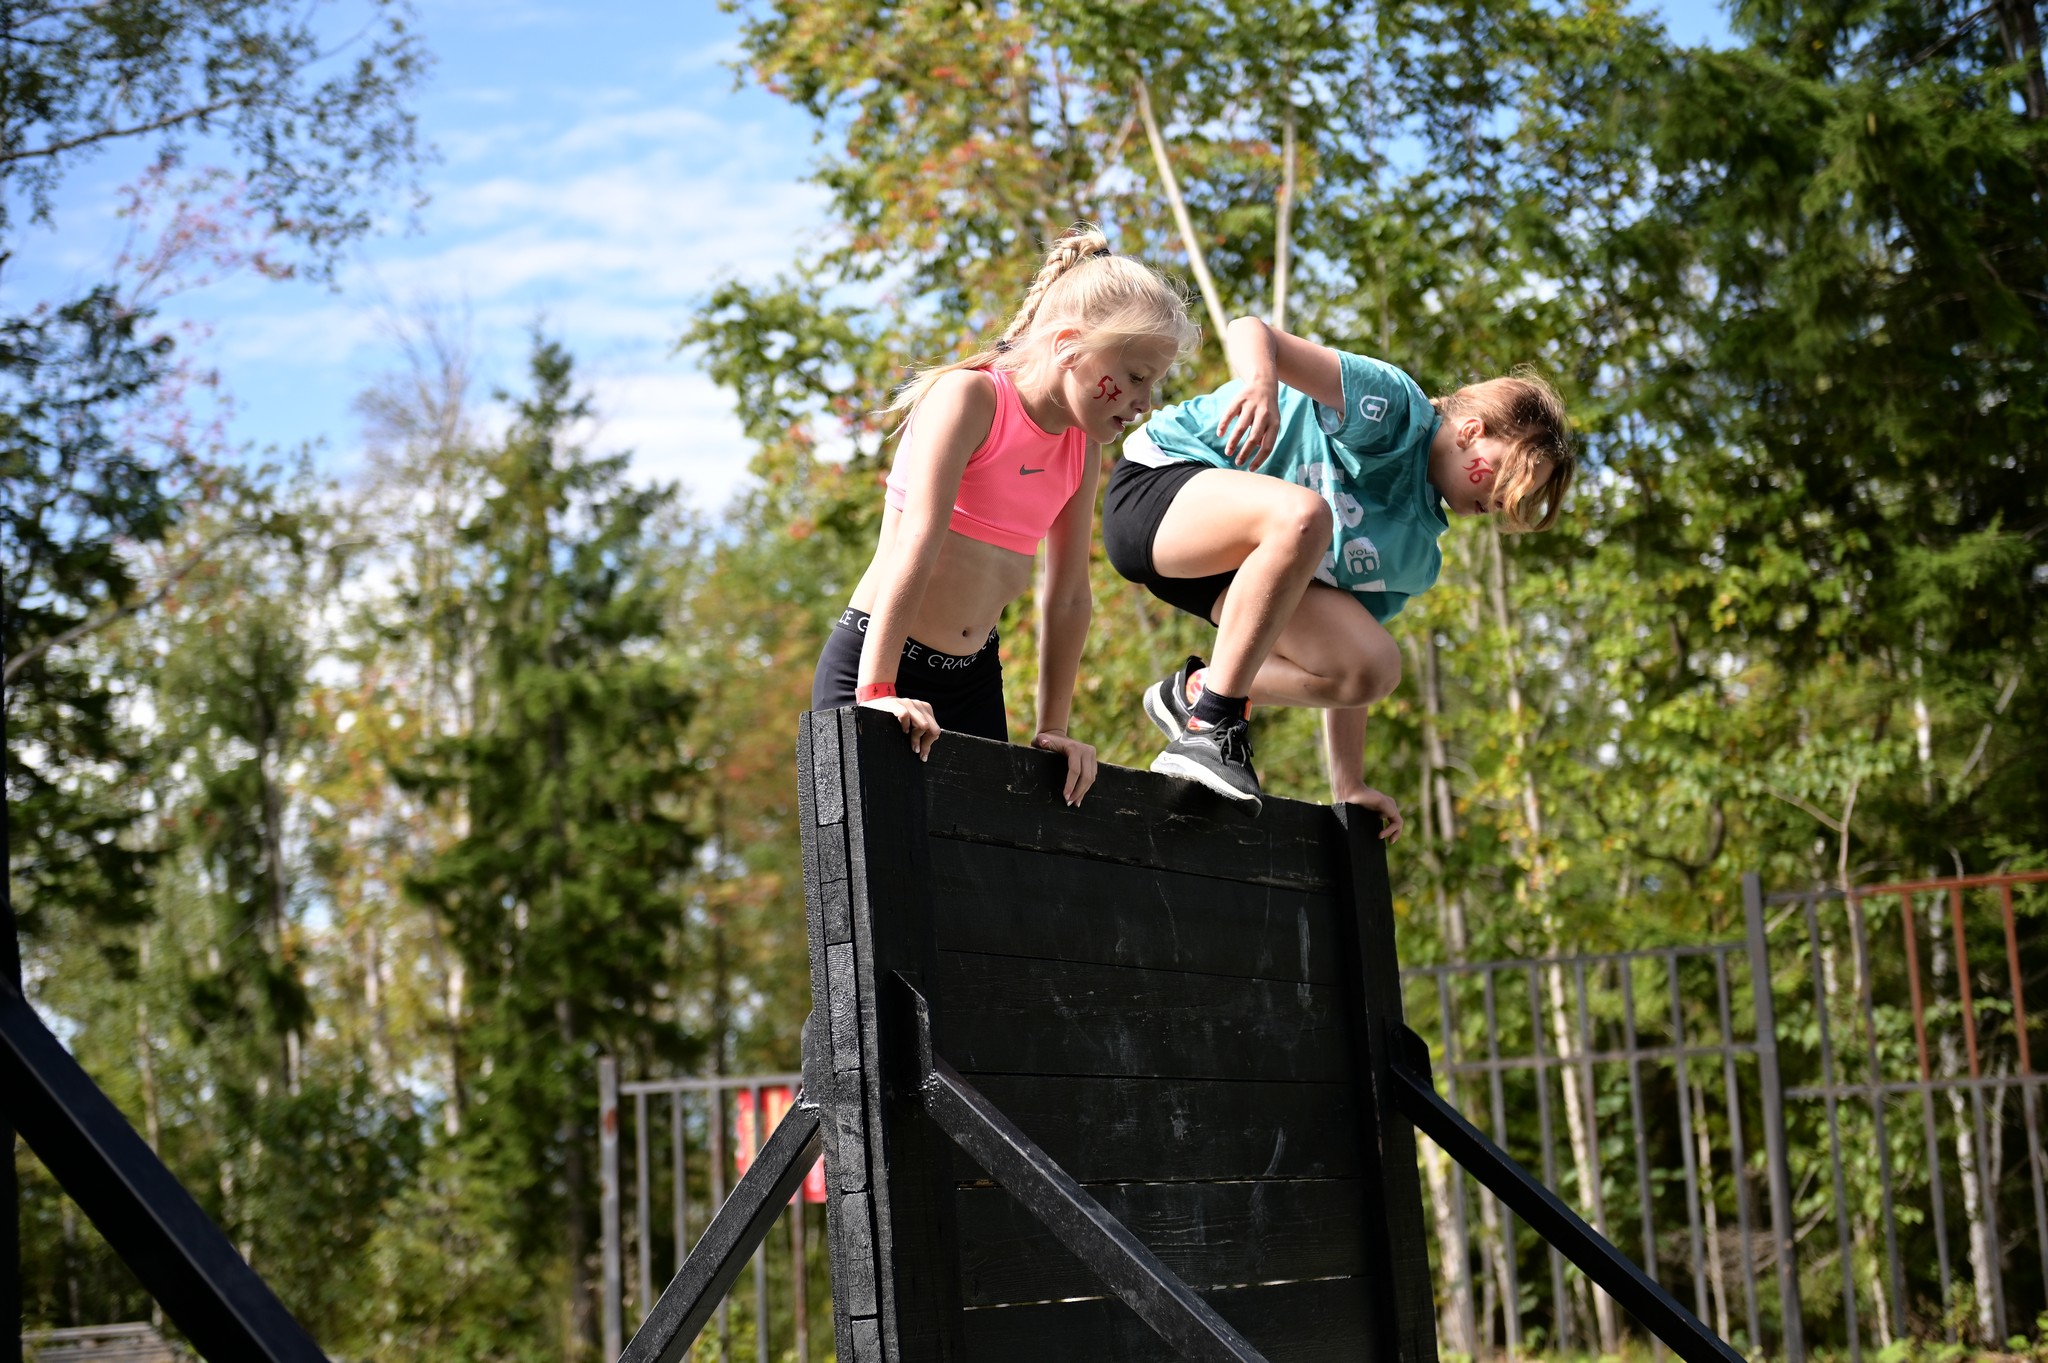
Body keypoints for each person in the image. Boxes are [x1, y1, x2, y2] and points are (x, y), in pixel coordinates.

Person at [1101, 314, 1575, 822]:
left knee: (1374, 667)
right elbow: (1250, 330)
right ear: (1472, 432)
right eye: (1508, 477)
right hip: (1161, 495)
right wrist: (1261, 385)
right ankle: (1214, 724)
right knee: (1305, 515)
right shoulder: (1393, 408)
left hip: (1234, 577)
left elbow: (1343, 653)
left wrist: (1349, 785)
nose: (1505, 501)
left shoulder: (1414, 552)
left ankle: (1199, 692)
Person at [812, 224, 1197, 806]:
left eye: (1154, 384)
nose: (1145, 403)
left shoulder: (1080, 446)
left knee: (973, 885)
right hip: (879, 664)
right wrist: (877, 691)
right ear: (1069, 346)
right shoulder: (970, 399)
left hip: (971, 682)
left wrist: (1056, 729)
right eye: (1137, 378)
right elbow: (917, 543)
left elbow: (1067, 594)